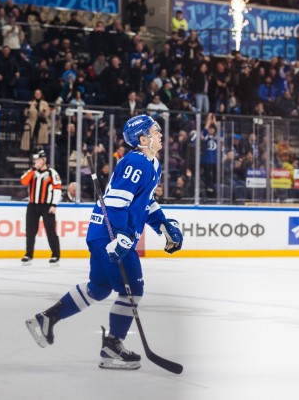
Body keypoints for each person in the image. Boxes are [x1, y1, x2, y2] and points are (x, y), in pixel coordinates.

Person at [25, 114, 184, 370]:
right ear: (143, 138)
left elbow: (144, 203)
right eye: (156, 131)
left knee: (98, 287)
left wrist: (163, 225)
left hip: (103, 234)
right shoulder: (136, 162)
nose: (161, 135)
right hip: (112, 235)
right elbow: (116, 201)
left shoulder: (152, 165)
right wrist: (121, 235)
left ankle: (47, 318)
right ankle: (112, 347)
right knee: (132, 291)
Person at [19, 147, 62, 266]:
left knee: (50, 230)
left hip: (47, 206)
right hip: (32, 205)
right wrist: (33, 169)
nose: (36, 162)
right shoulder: (32, 172)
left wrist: (54, 204)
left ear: (44, 160)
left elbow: (57, 189)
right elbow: (23, 181)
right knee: (30, 231)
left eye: (38, 160)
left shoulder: (52, 173)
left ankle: (55, 255)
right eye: (35, 160)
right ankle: (28, 254)